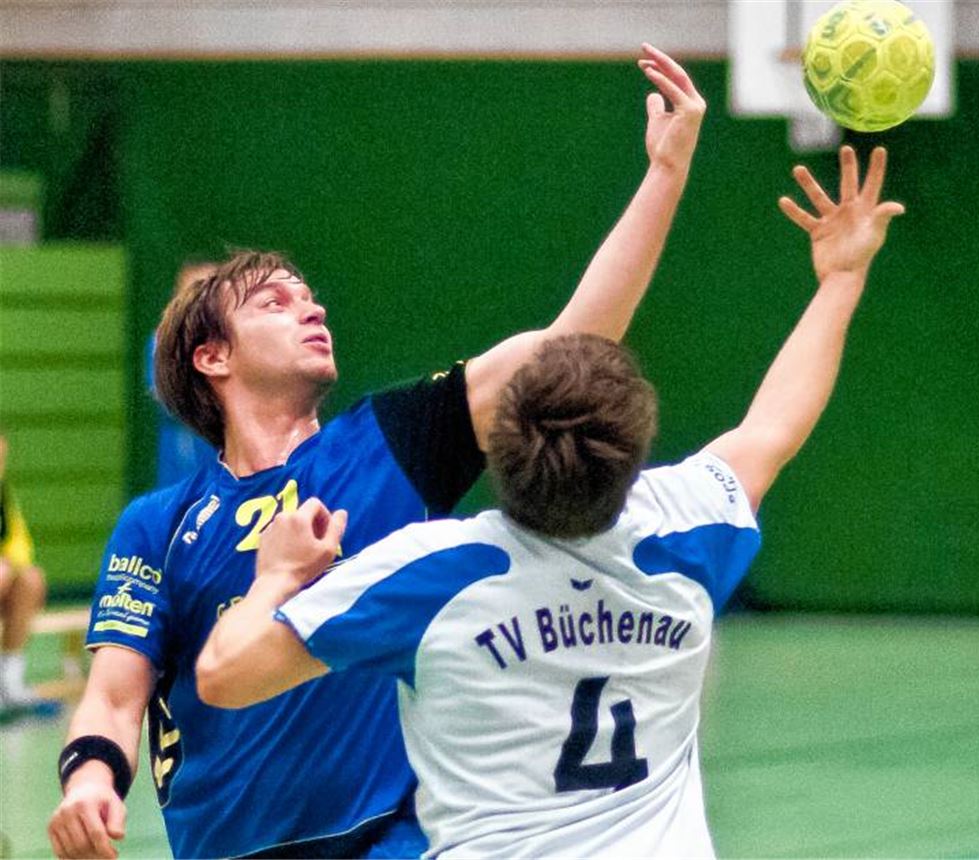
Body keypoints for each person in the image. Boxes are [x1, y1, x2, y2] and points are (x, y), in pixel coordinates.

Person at [48, 43, 706, 860]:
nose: (310, 305)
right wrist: (88, 779)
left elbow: (570, 343)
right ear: (211, 359)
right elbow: (115, 698)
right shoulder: (158, 526)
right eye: (274, 300)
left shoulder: (391, 442)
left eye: (309, 294)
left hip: (393, 839)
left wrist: (665, 175)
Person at [196, 144, 904, 857]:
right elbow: (772, 428)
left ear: (498, 447)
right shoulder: (687, 532)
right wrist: (842, 278)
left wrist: (277, 576)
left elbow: (225, 677)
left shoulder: (430, 572)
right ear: (635, 457)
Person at [0, 434, 62, 722]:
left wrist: (10, 567)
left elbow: (19, 545)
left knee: (31, 580)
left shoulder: (3, 495)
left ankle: (9, 682)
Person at [145, 262, 219, 488]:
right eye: (196, 290)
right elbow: (164, 393)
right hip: (182, 450)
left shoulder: (228, 341)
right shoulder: (163, 340)